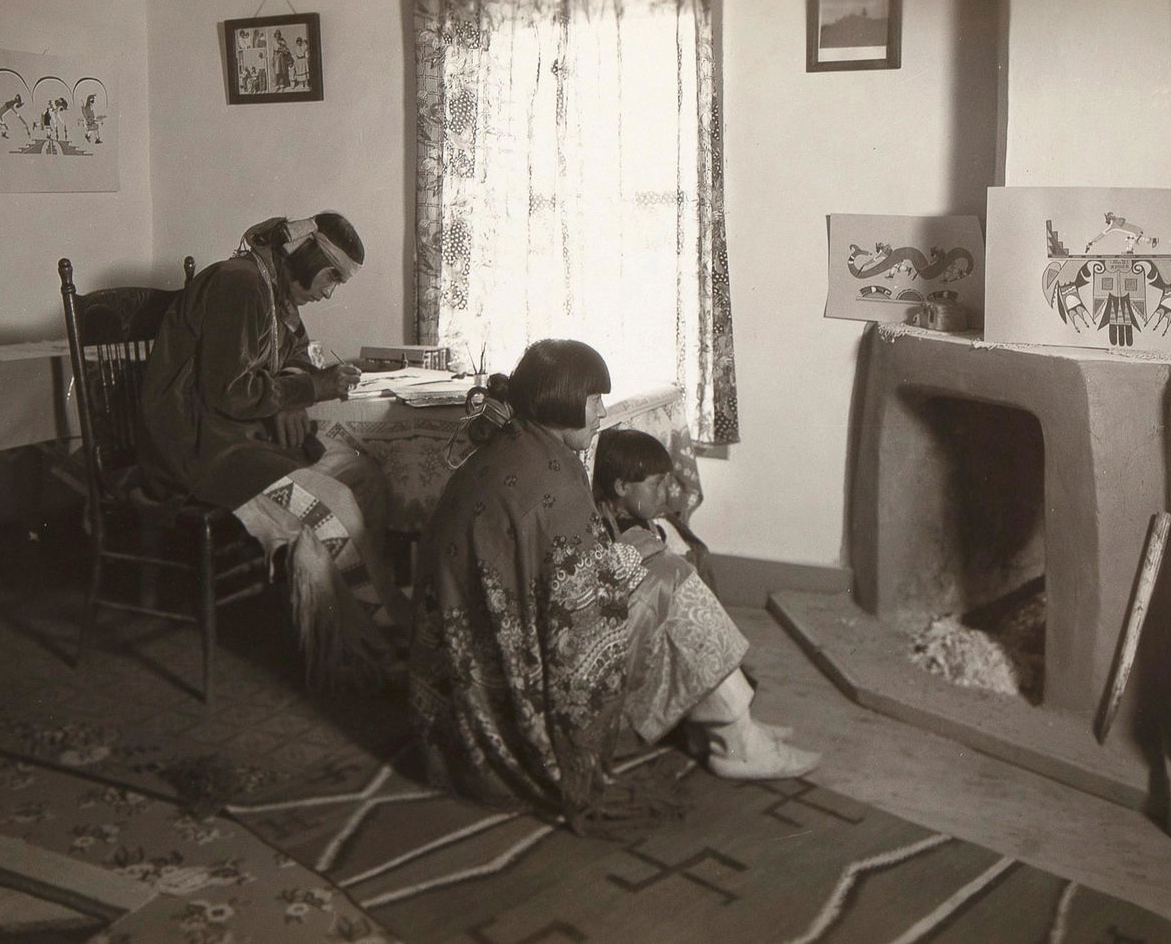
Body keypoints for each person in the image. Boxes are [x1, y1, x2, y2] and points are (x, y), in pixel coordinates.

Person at [409, 339, 818, 835]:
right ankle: (736, 736)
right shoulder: (552, 480)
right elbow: (581, 605)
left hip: (473, 659)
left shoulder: (515, 444)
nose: (601, 412)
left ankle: (732, 721)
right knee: (672, 579)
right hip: (514, 672)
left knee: (660, 567)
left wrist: (626, 558)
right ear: (560, 399)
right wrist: (632, 559)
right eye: (593, 399)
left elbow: (554, 572)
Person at [139, 212, 410, 687]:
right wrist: (309, 390)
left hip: (245, 438)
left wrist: (294, 386)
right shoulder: (240, 284)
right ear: (306, 256)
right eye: (331, 278)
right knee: (333, 504)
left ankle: (341, 628)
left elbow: (297, 357)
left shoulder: (274, 290)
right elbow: (228, 392)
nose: (329, 292)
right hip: (205, 449)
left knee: (363, 475)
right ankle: (368, 643)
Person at [591, 427, 817, 769]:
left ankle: (736, 726)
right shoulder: (599, 524)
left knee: (683, 584)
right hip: (614, 644)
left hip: (638, 619)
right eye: (656, 484)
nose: (666, 493)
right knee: (681, 593)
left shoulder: (634, 518)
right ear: (622, 488)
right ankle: (737, 741)